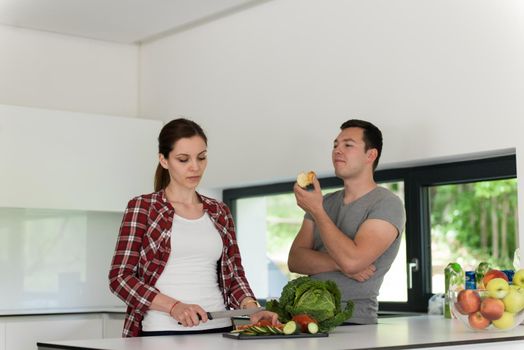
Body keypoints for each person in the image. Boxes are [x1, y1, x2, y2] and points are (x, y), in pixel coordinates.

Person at [109, 118, 278, 337]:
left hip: (219, 329)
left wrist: (252, 309)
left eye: (202, 157)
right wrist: (174, 307)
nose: (195, 167)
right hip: (163, 331)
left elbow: (234, 275)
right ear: (164, 160)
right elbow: (120, 278)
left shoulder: (220, 212)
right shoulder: (143, 207)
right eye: (183, 159)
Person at [288, 119, 406, 324]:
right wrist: (338, 263)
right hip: (305, 320)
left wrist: (317, 211)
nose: (337, 151)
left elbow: (352, 261)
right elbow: (295, 260)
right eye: (335, 145)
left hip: (353, 323)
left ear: (371, 155)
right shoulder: (324, 201)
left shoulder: (387, 203)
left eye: (348, 145)